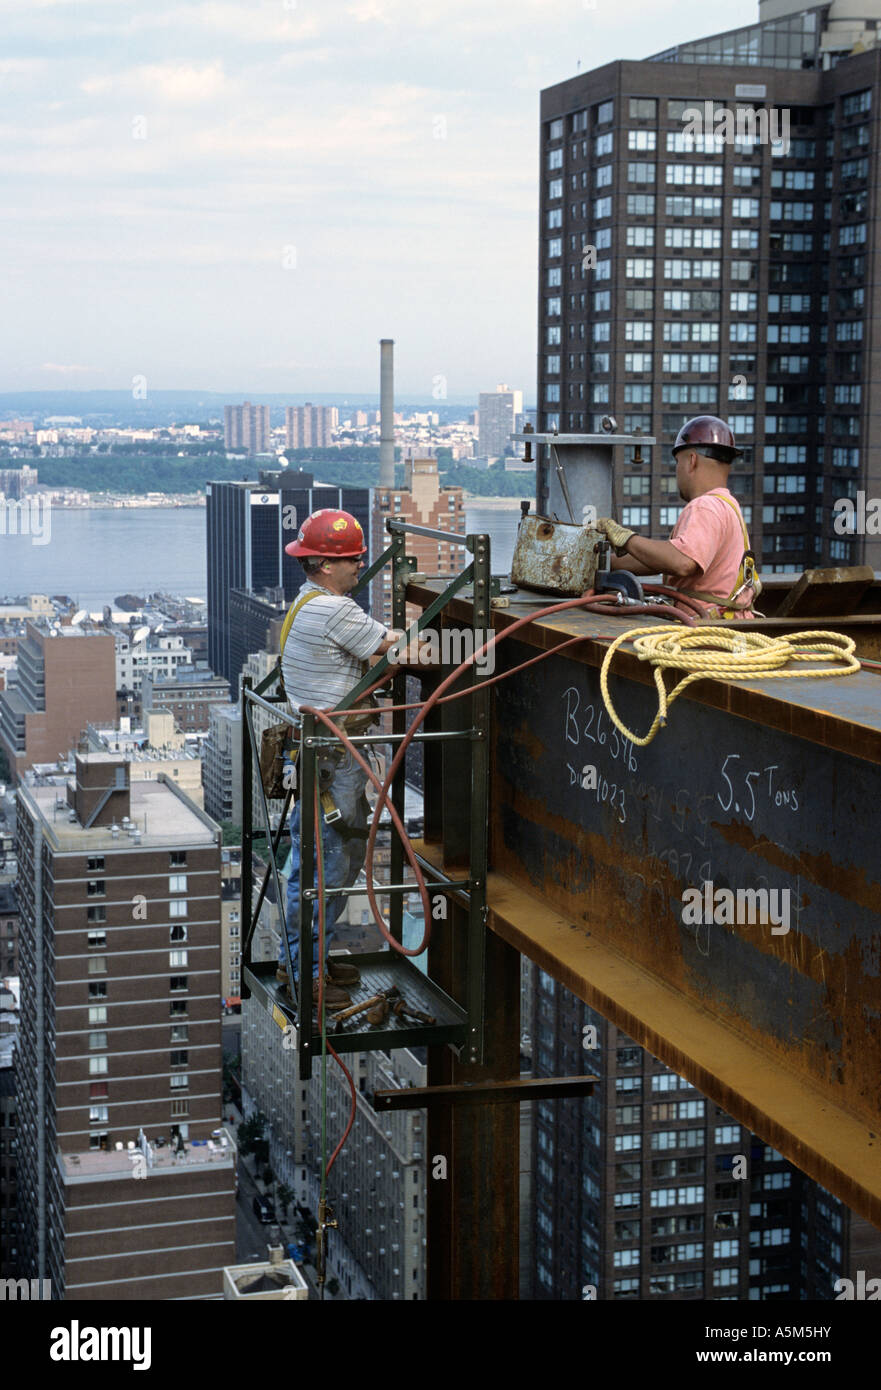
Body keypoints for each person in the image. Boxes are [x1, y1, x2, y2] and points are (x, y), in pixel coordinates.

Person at [275, 508, 403, 1009]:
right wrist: (462, 643)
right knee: (321, 872)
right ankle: (305, 977)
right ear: (325, 565)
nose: (359, 566)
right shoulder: (334, 610)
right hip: (333, 757)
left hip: (320, 755)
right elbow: (394, 647)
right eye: (351, 559)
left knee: (324, 868)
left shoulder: (307, 601)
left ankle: (309, 965)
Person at [595, 415, 760, 619]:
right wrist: (604, 563)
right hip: (724, 626)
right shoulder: (728, 505)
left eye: (677, 462)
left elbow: (682, 563)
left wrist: (626, 538)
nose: (677, 471)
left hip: (703, 633)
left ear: (691, 461)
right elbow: (662, 560)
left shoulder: (704, 506)